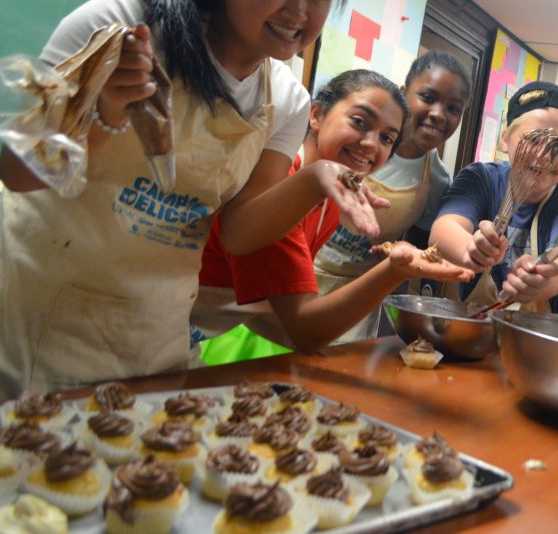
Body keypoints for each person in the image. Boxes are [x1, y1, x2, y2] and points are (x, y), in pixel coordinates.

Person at [0, 0, 385, 399]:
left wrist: (314, 179)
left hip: (152, 338)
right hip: (37, 320)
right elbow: (18, 171)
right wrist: (101, 111)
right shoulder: (124, 25)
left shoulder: (285, 98)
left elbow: (240, 233)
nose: (298, 11)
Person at [192, 70, 474, 361]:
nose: (370, 145)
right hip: (194, 334)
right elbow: (304, 328)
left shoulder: (330, 202)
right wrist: (395, 270)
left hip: (217, 332)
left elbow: (277, 316)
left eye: (387, 138)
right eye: (359, 122)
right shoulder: (283, 188)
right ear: (316, 114)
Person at [312, 51, 472, 341]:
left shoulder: (436, 181)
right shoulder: (355, 145)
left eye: (453, 108)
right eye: (427, 97)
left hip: (355, 303)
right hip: (297, 277)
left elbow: (413, 254)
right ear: (403, 93)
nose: (438, 114)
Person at [430, 81, 558, 316]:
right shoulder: (481, 179)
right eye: (533, 140)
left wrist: (539, 279)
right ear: (505, 139)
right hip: (480, 333)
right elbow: (444, 229)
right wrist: (471, 249)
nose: (543, 155)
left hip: (551, 340)